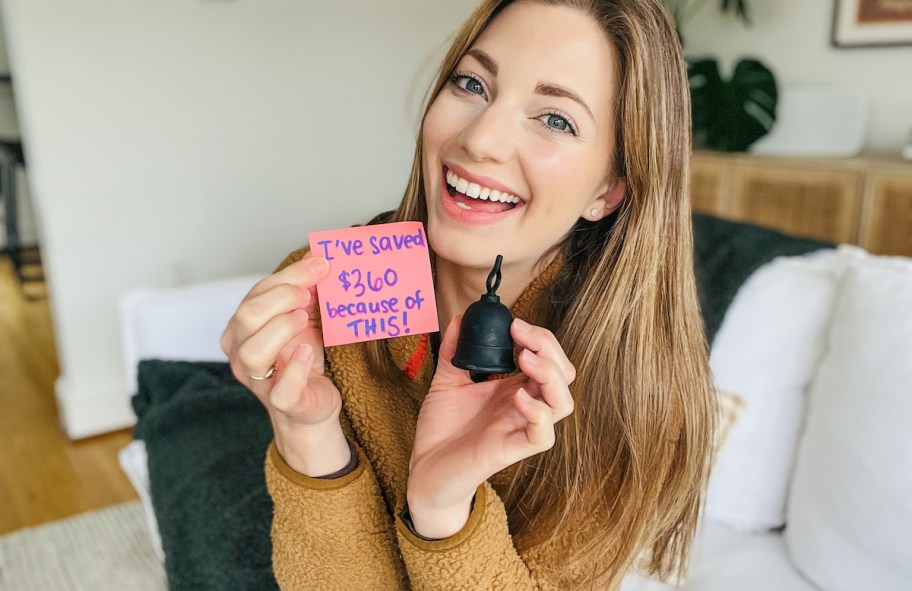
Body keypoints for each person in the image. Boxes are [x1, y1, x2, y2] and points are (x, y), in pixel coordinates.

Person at [219, 0, 717, 589]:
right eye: (472, 83)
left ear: (607, 191)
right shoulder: (323, 301)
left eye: (555, 119)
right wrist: (308, 434)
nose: (480, 139)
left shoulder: (632, 397)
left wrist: (442, 510)